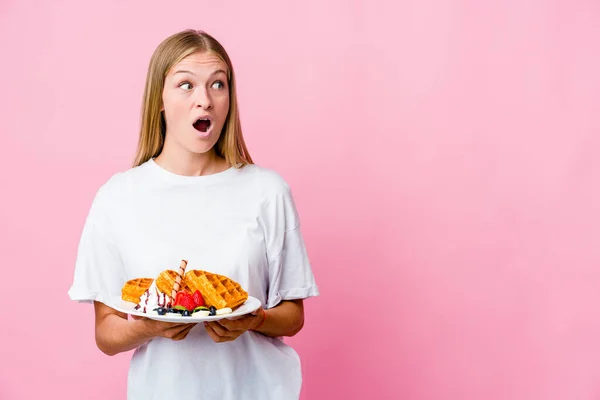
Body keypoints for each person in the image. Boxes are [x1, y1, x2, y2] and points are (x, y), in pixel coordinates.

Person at [67, 29, 319, 400]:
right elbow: (106, 332)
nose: (205, 100)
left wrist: (257, 319)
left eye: (218, 84)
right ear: (160, 100)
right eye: (186, 85)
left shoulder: (267, 191)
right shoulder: (118, 198)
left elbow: (293, 316)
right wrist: (148, 327)